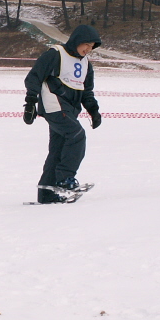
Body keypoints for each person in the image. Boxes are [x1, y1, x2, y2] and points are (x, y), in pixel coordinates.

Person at [23, 24, 102, 203]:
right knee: (76, 135)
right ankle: (65, 179)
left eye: (92, 47)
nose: (88, 49)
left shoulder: (85, 64)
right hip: (54, 105)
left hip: (70, 109)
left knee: (58, 149)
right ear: (77, 40)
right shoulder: (56, 53)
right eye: (86, 45)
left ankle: (46, 193)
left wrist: (94, 111)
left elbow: (86, 91)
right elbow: (34, 76)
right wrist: (30, 103)